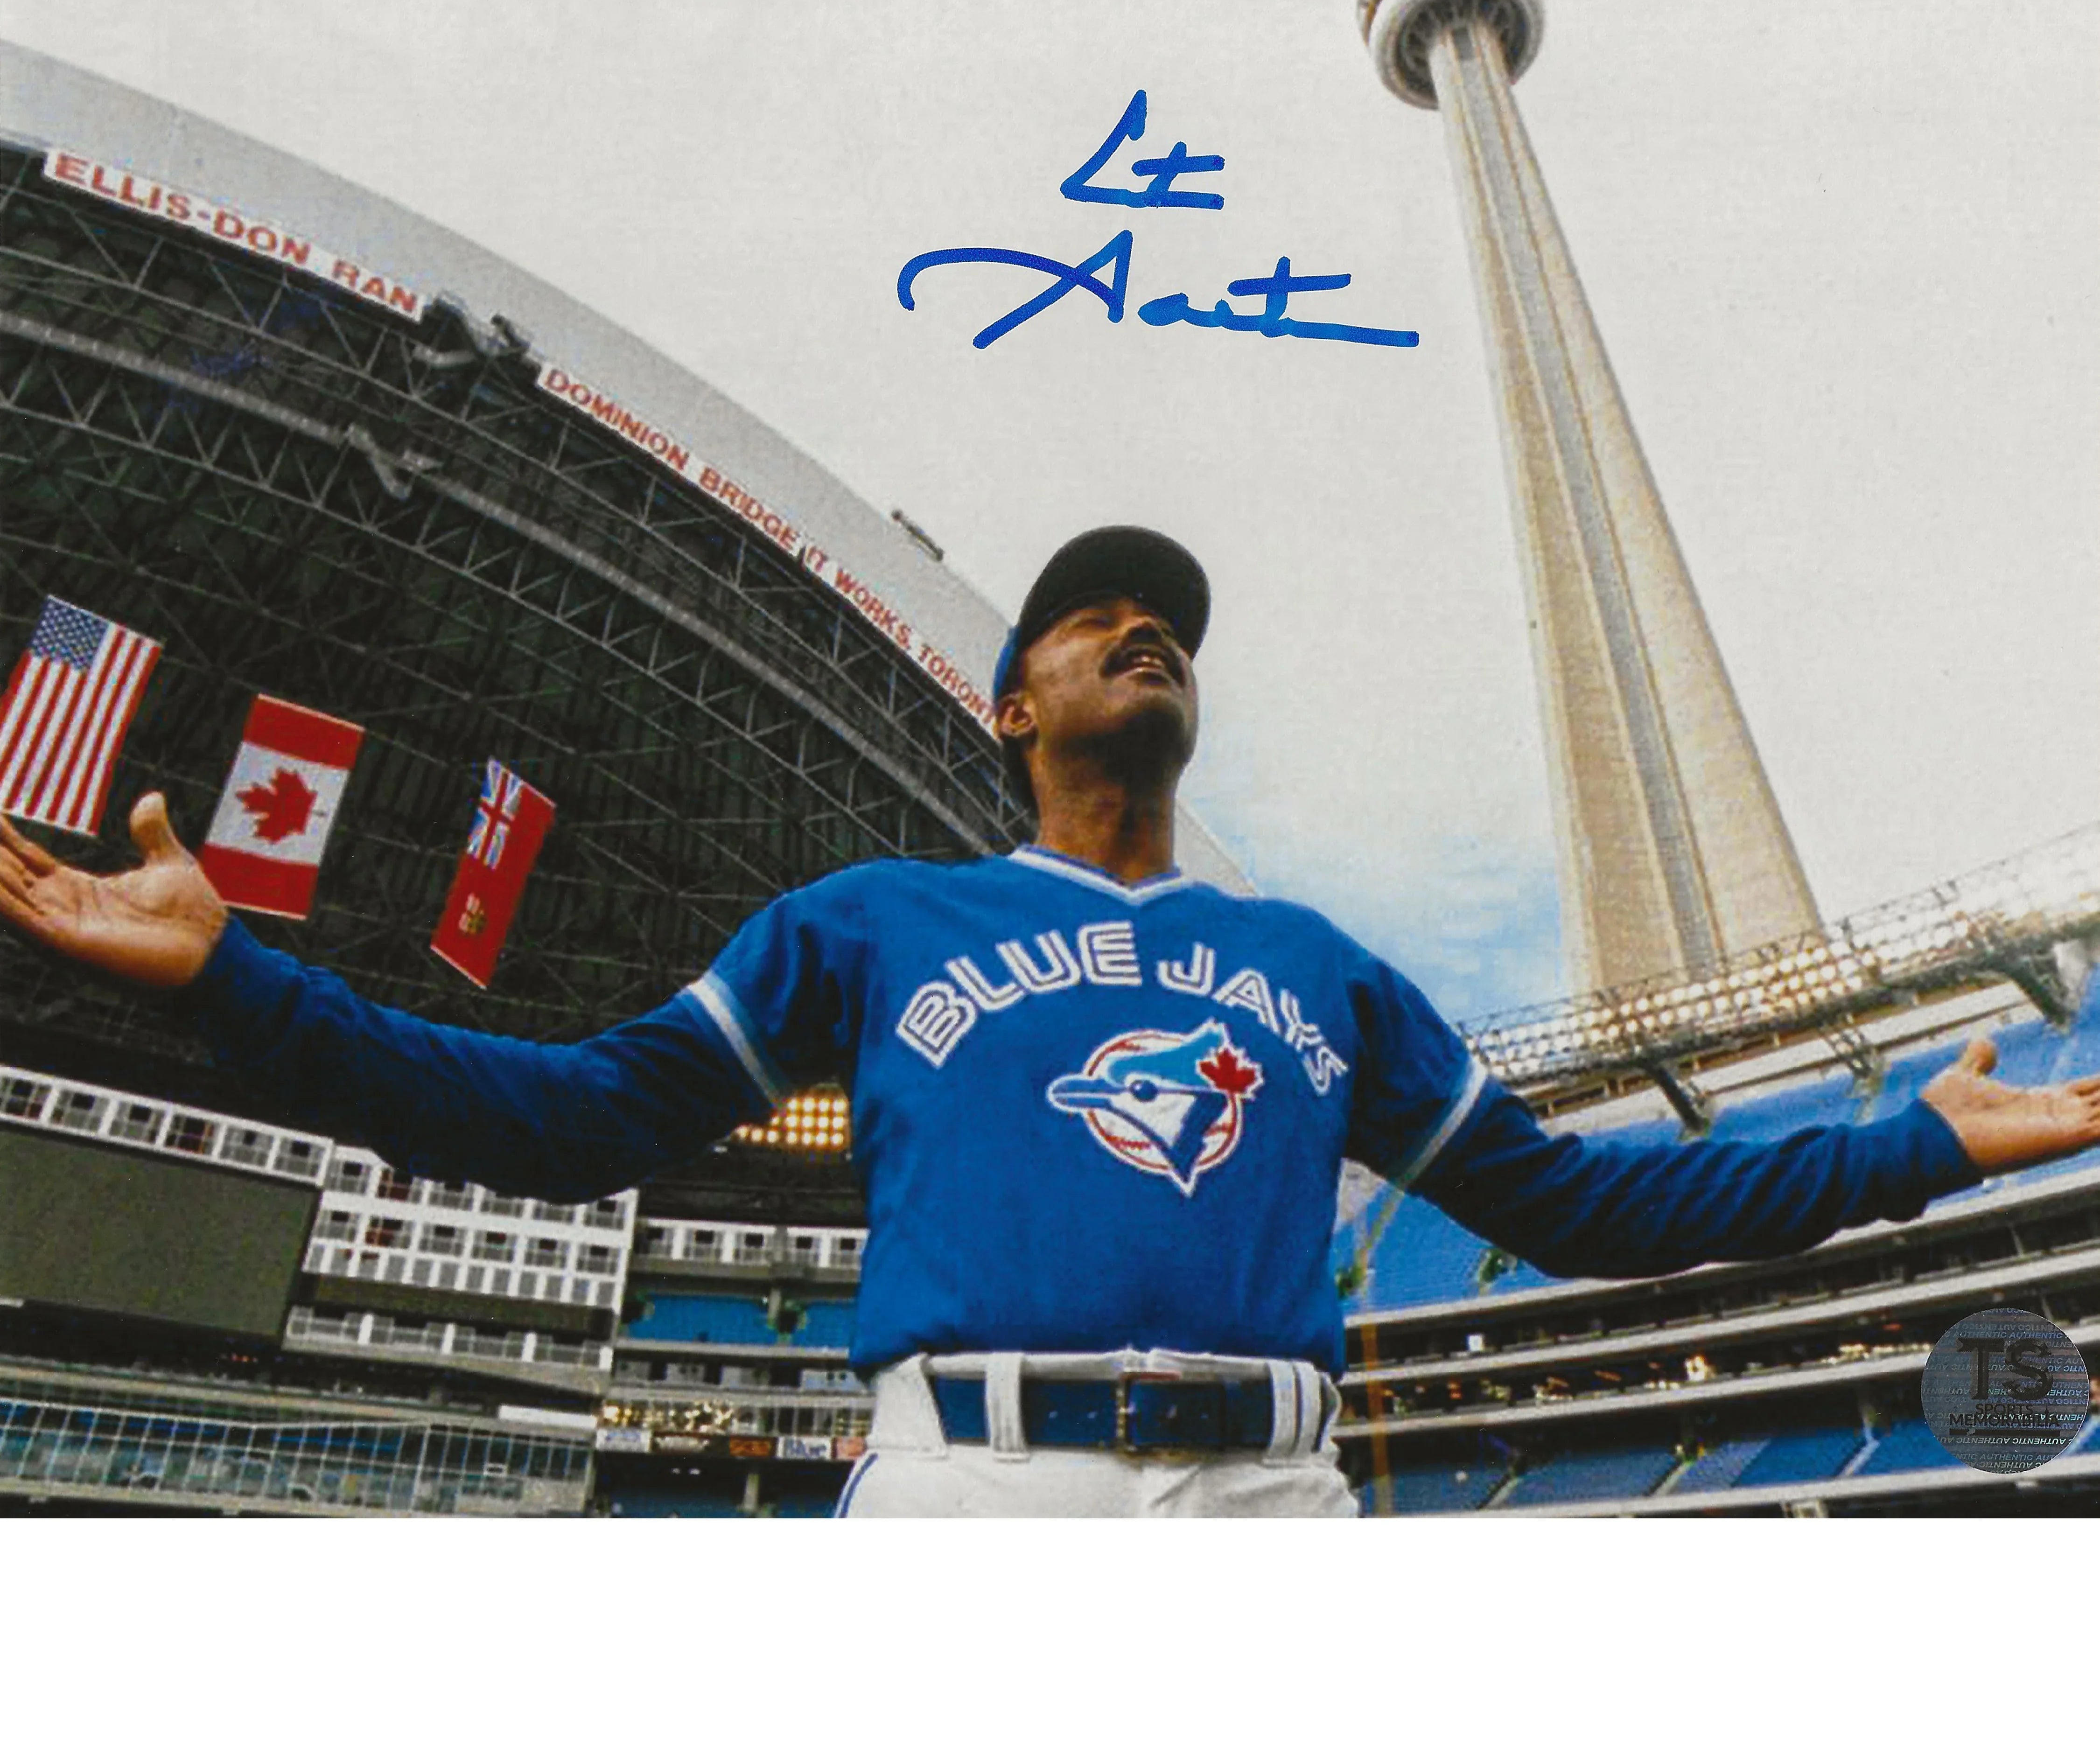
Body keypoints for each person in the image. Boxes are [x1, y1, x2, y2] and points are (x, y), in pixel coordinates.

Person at [1, 526, 2096, 1517]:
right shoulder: (876, 921)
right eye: (1097, 617)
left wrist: (1914, 1140)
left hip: (1276, 1503)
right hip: (976, 1496)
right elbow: (560, 1117)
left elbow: (1586, 1206)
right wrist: (244, 989)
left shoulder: (1318, 974)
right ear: (1015, 702)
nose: (1145, 627)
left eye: (1169, 619)